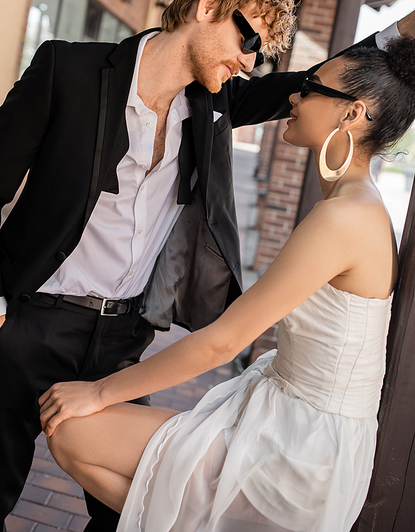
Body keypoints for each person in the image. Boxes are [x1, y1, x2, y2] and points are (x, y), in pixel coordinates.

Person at [0, 0, 405, 532]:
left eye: (260, 54)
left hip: (122, 336)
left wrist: (403, 33)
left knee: (124, 503)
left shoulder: (215, 105)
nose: (251, 63)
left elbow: (333, 85)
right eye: (247, 41)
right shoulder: (69, 72)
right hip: (29, 320)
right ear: (209, 5)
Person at [39, 35, 415, 532]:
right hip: (293, 421)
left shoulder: (345, 217)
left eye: (311, 86)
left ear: (353, 114)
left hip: (301, 449)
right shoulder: (354, 206)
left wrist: (99, 393)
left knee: (74, 431)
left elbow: (221, 342)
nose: (295, 97)